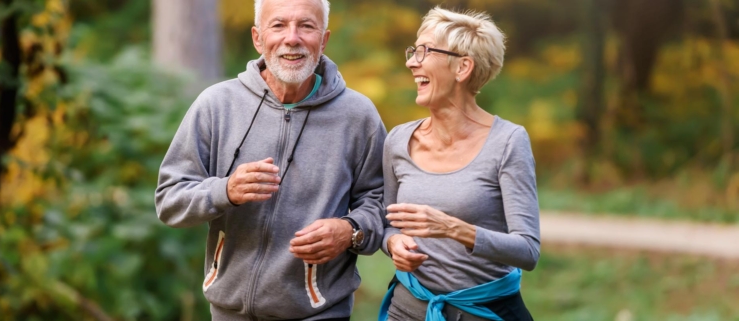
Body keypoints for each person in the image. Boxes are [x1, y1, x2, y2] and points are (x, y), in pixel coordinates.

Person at [154, 0, 386, 319]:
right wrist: (225, 191)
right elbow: (169, 200)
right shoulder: (216, 105)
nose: (292, 38)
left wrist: (350, 230)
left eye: (306, 26)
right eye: (278, 25)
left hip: (319, 313)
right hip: (228, 312)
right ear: (257, 38)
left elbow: (382, 202)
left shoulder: (358, 116)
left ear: (324, 39)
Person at [378, 7, 540, 321]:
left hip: (484, 311)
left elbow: (528, 250)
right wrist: (393, 242)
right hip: (407, 308)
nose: (412, 61)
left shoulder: (508, 141)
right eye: (413, 51)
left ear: (462, 67)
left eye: (423, 51)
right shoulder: (398, 141)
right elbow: (386, 224)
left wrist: (452, 228)